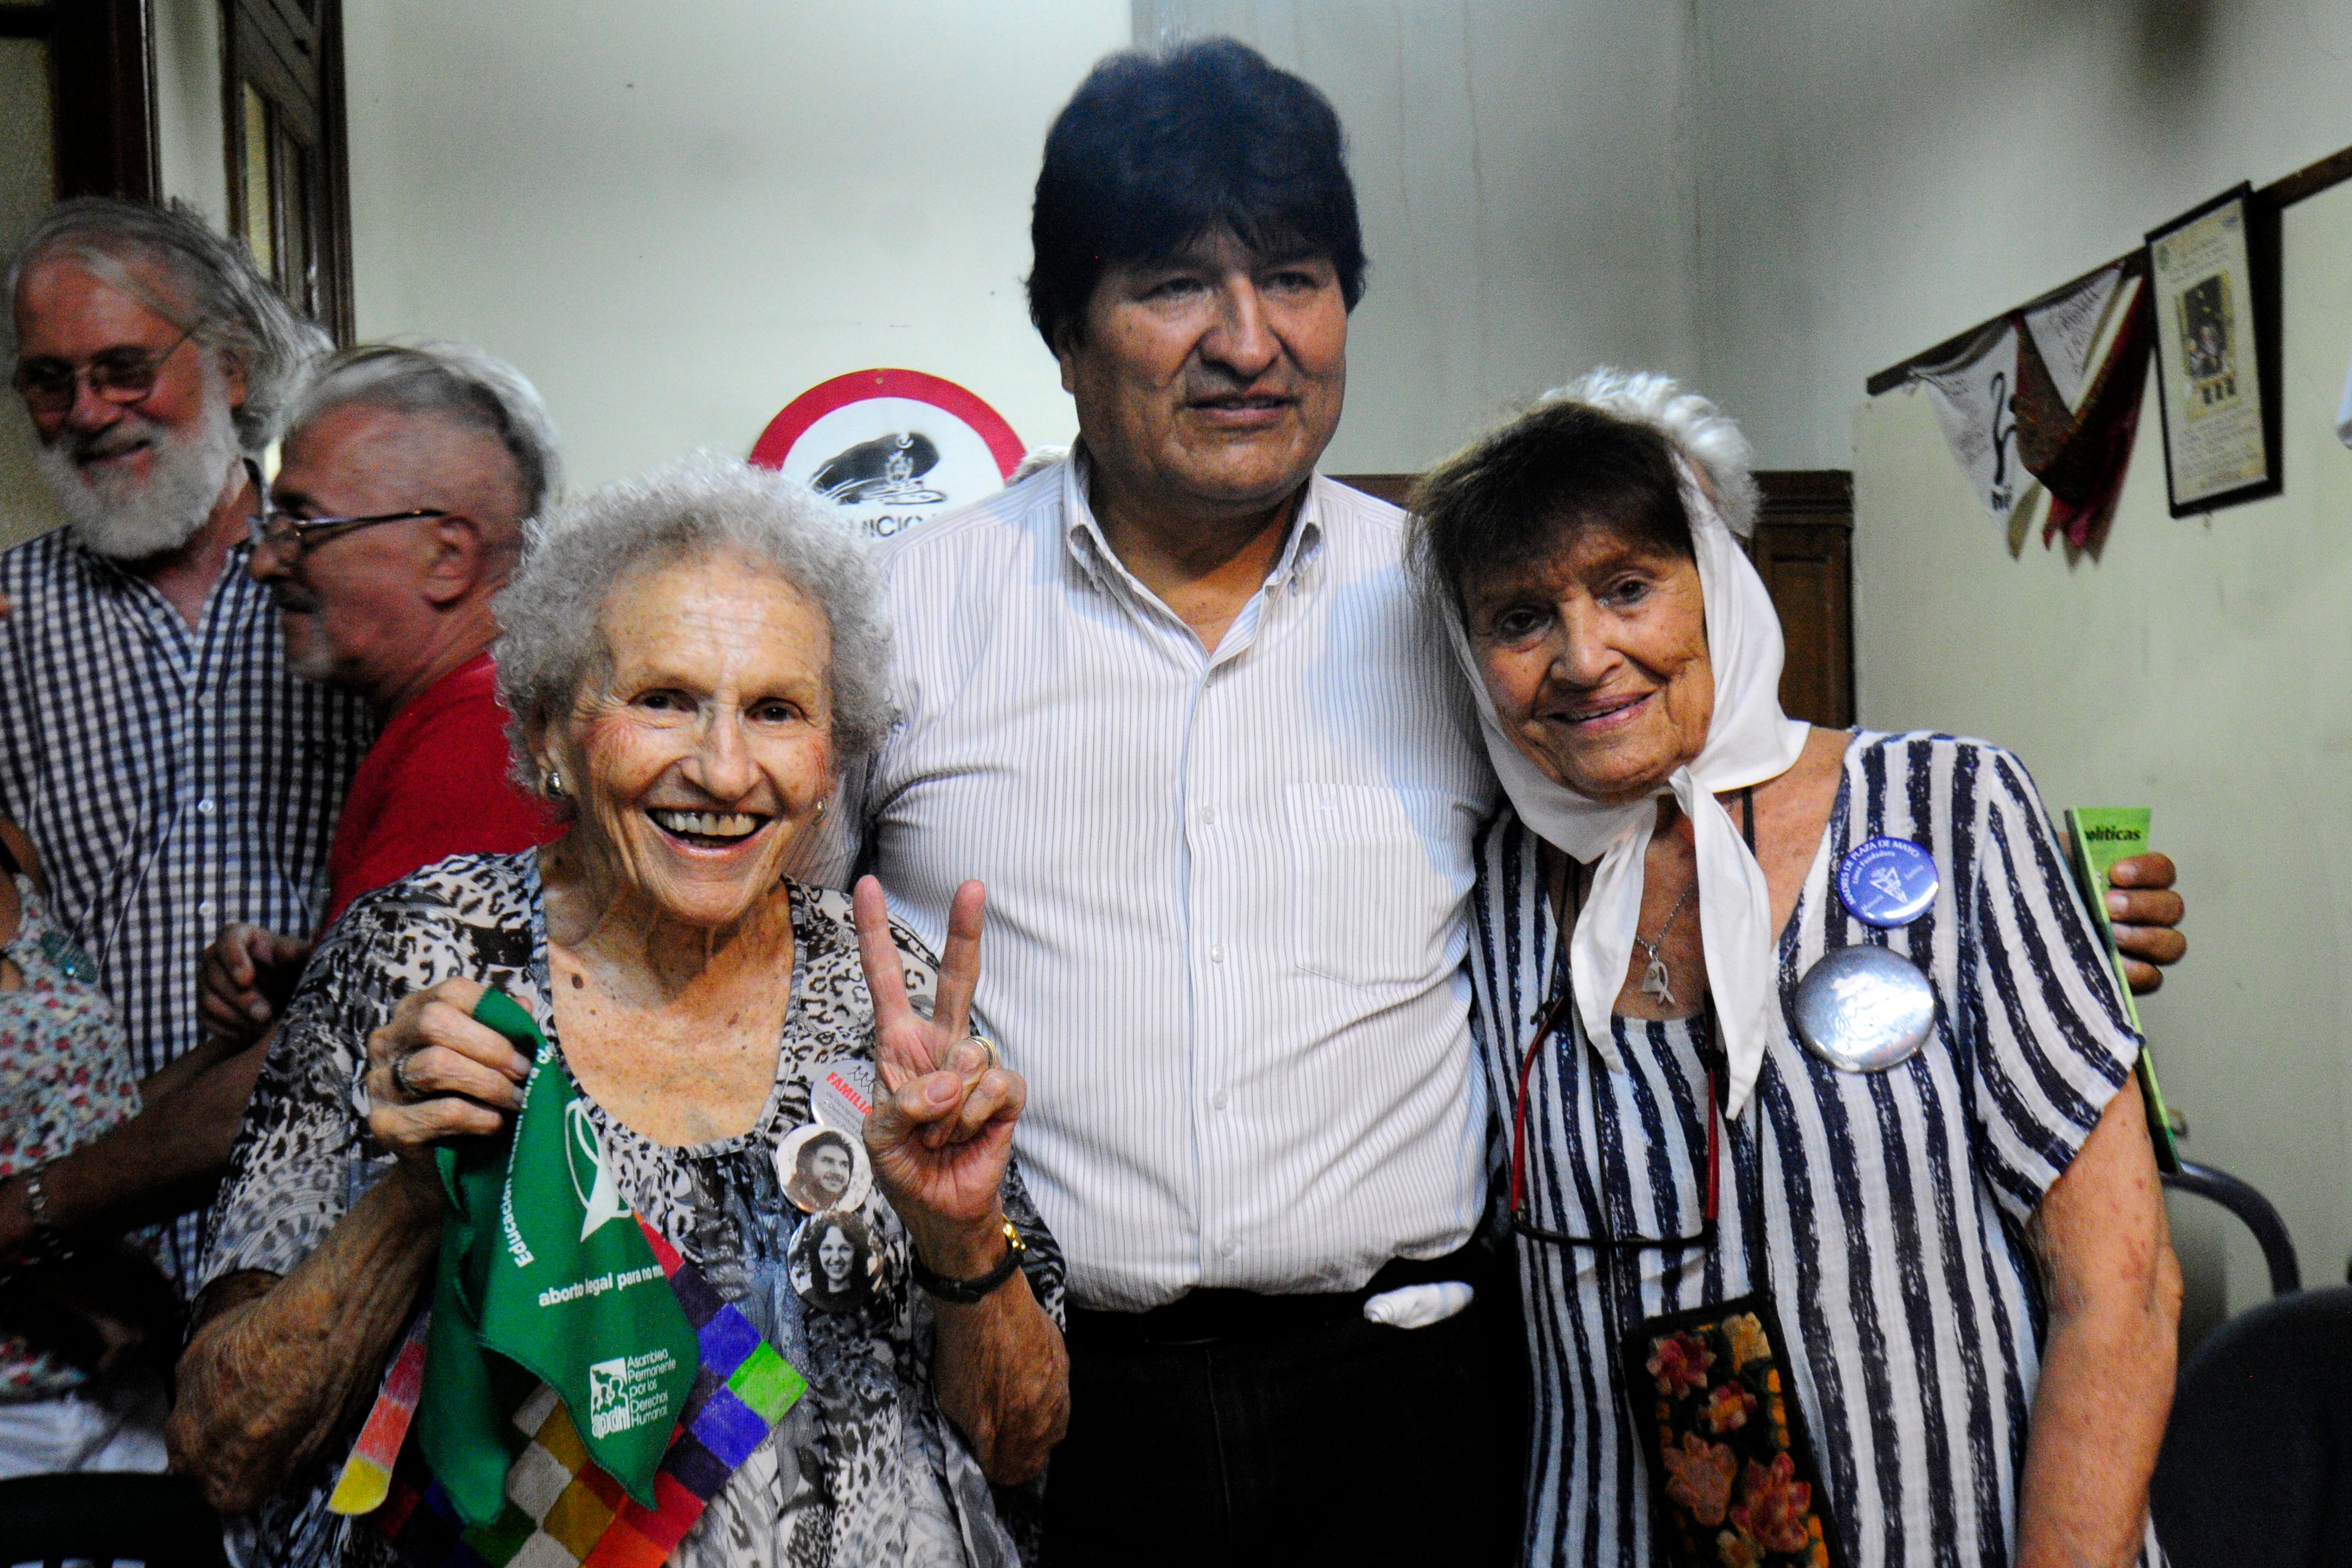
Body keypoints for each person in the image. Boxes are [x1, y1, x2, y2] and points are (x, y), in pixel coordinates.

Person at [845, 38, 2187, 1566]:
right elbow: (775, 969)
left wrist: (2039, 916)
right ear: (1064, 333)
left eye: (1293, 277)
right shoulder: (897, 617)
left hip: (1419, 1399)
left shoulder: (1438, 593)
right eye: (1170, 286)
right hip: (1051, 1375)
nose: (1246, 340)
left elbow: (1702, 801)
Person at [170, 457, 1069, 1568]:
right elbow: (224, 1448)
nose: (725, 767)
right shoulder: (421, 951)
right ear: (549, 729)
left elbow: (1022, 1443)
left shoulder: (888, 995)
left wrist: (962, 1228)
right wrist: (417, 1196)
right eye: (663, 699)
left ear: (828, 757)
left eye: (776, 710)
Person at [1409, 370, 2178, 1567]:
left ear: (1718, 585)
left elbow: (2118, 1289)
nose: (1584, 655)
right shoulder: (1484, 888)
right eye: (1519, 618)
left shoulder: (1949, 808)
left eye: (1627, 588)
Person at [0, 198, 370, 1288]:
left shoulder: (356, 590)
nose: (88, 410)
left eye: (123, 366)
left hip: (341, 1229)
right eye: (47, 380)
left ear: (236, 365)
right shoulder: (9, 620)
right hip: (83, 1266)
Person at [195, 343, 564, 1052]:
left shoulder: (479, 735)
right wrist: (319, 977)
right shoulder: (468, 712)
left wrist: (52, 1173)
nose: (267, 562)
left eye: (304, 525)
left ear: (448, 556)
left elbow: (334, 1073)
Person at [0, 812, 178, 1476]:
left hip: (127, 1398)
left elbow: (81, 1112)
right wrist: (41, 1263)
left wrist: (239, 1041)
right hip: (13, 1429)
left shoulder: (11, 848)